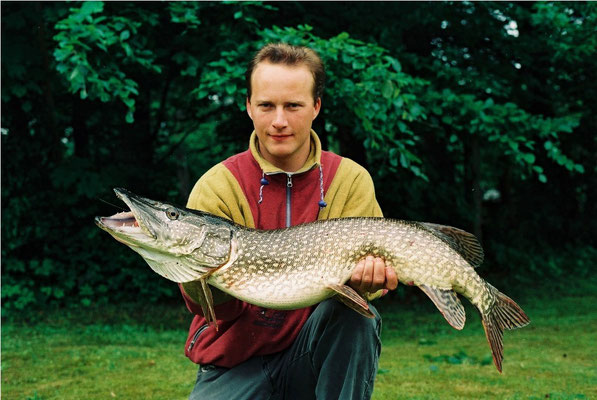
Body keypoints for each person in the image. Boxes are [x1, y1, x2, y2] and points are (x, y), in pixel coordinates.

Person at [180, 43, 398, 400]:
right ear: (249, 106)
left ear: (316, 107)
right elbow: (212, 306)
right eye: (266, 105)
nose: (279, 120)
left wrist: (369, 284)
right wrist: (193, 271)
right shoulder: (218, 186)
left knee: (358, 316)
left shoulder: (350, 179)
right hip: (236, 362)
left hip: (313, 358)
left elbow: (366, 292)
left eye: (293, 105)